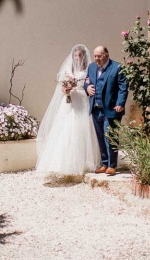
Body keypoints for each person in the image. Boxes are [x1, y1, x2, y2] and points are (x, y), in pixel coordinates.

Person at [35, 44, 101, 176]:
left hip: (81, 99)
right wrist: (66, 89)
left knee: (81, 128)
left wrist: (83, 87)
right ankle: (61, 163)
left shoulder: (89, 68)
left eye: (80, 55)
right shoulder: (69, 69)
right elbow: (62, 84)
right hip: (69, 101)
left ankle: (83, 162)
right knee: (66, 128)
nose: (77, 58)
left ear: (84, 56)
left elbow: (91, 82)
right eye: (75, 55)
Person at [84, 45, 128, 176]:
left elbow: (123, 88)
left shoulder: (118, 67)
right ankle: (104, 163)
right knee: (100, 137)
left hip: (111, 108)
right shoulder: (91, 67)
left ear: (107, 55)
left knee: (110, 137)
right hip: (96, 108)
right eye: (95, 56)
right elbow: (86, 82)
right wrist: (87, 88)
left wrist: (120, 103)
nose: (97, 59)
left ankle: (112, 165)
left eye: (99, 56)